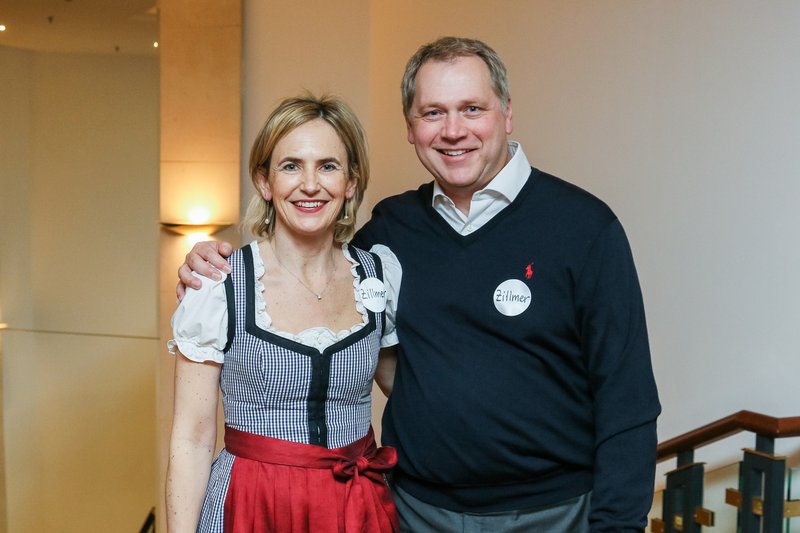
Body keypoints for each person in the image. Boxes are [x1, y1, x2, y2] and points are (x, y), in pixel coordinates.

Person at [179, 37, 661, 532]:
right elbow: (312, 267)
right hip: (414, 512)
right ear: (411, 128)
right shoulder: (390, 234)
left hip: (551, 513)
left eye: (472, 108)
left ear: (507, 113)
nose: (453, 131)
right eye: (432, 113)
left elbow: (627, 401)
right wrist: (210, 265)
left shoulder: (584, 228)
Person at [166, 94, 401, 533]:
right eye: (291, 166)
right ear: (265, 182)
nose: (310, 185)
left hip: (355, 504)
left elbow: (409, 388)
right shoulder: (218, 283)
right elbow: (192, 439)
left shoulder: (379, 275)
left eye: (328, 166)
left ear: (351, 182)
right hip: (253, 503)